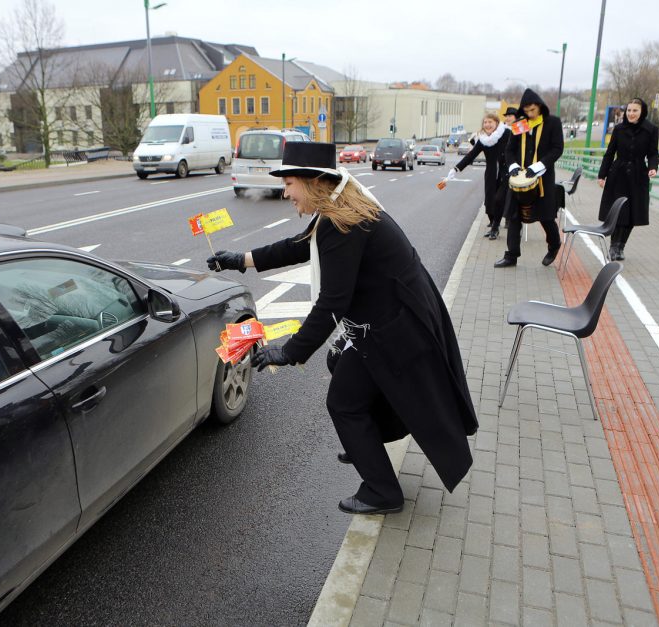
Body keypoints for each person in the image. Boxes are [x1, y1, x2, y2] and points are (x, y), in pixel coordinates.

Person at [206, 142, 478, 515]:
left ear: (313, 181)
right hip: (391, 323)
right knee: (348, 383)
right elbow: (300, 247)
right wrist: (242, 260)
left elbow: (332, 302)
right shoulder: (338, 209)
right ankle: (366, 444)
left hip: (394, 332)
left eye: (289, 183)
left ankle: (382, 491)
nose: (285, 192)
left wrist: (290, 352)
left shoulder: (341, 224)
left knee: (343, 402)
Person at [495, 88, 564, 268]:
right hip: (520, 179)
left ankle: (554, 245)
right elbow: (510, 150)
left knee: (546, 217)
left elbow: (557, 149)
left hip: (543, 178)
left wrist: (538, 166)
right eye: (526, 111)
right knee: (513, 216)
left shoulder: (553, 123)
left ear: (540, 107)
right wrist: (513, 166)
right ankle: (511, 255)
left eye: (533, 110)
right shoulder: (519, 124)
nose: (530, 114)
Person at [597, 97, 659, 260]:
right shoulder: (618, 129)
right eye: (629, 110)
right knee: (617, 212)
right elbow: (610, 153)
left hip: (639, 175)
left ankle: (621, 247)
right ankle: (613, 246)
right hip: (618, 174)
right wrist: (602, 175)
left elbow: (653, 153)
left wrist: (653, 167)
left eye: (635, 111)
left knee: (633, 213)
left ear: (642, 112)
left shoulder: (651, 129)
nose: (631, 114)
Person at [449, 112, 510, 240]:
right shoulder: (482, 140)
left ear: (496, 123)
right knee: (489, 202)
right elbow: (471, 156)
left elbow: (518, 148)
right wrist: (456, 168)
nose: (487, 125)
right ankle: (493, 223)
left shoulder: (506, 134)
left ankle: (495, 228)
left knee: (499, 199)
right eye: (485, 122)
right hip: (491, 173)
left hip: (505, 172)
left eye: (490, 122)